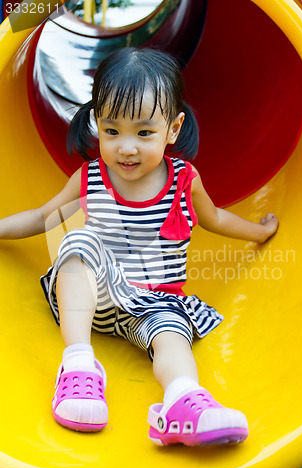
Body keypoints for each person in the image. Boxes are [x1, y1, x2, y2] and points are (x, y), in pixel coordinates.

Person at [0, 47, 278, 446]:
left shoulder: (184, 179)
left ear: (173, 128)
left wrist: (259, 231)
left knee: (173, 337)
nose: (126, 147)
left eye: (144, 133)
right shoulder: (92, 177)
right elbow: (42, 216)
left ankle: (183, 401)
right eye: (112, 131)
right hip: (95, 301)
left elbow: (215, 218)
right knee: (80, 240)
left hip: (155, 303)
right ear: (96, 123)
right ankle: (79, 365)